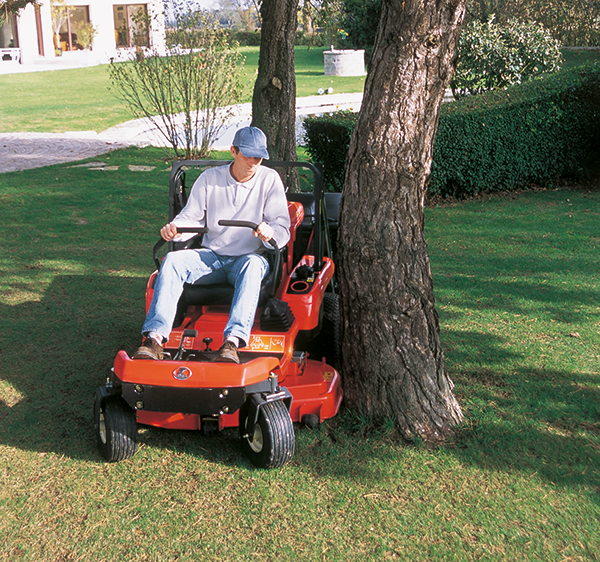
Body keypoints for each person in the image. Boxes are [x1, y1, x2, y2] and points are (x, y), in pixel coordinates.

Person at [133, 126, 291, 364]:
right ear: (233, 151)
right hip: (212, 256)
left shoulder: (270, 180)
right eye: (248, 155)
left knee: (252, 265)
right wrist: (174, 229)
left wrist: (269, 232)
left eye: (258, 157)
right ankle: (154, 339)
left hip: (249, 257)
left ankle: (232, 343)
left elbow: (282, 227)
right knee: (173, 261)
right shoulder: (210, 179)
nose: (254, 162)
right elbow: (190, 217)